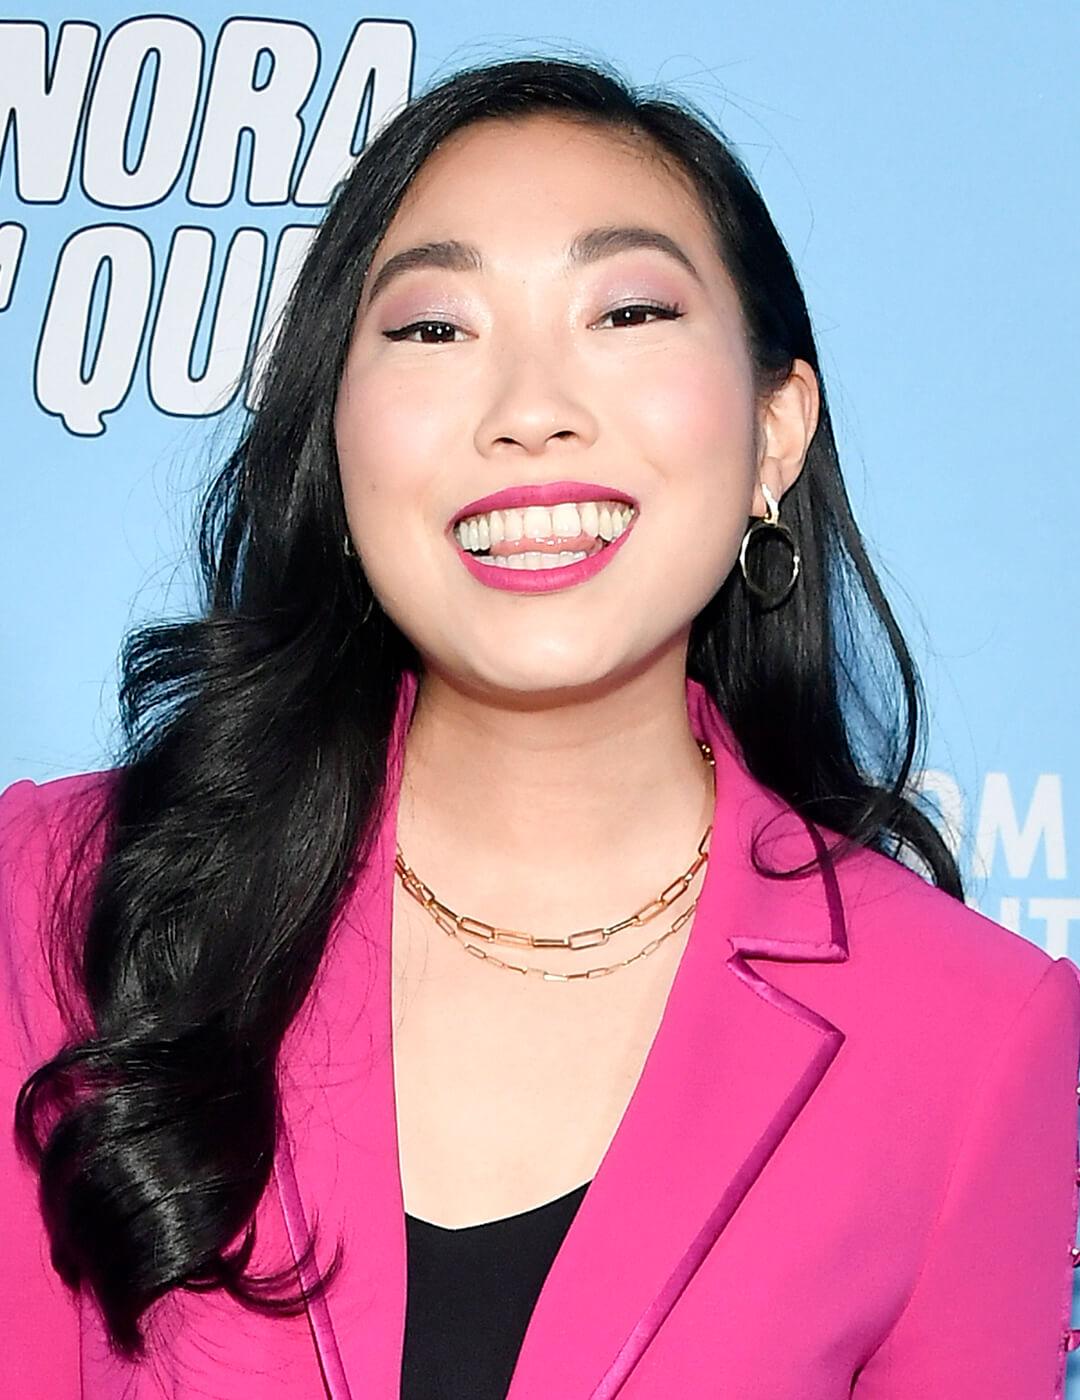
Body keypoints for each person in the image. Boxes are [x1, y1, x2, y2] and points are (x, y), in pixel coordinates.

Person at [1, 54, 1078, 1400]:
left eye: (626, 312)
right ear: (336, 444)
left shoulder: (973, 1039)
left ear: (774, 432)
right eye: (435, 330)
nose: (529, 412)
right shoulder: (54, 899)